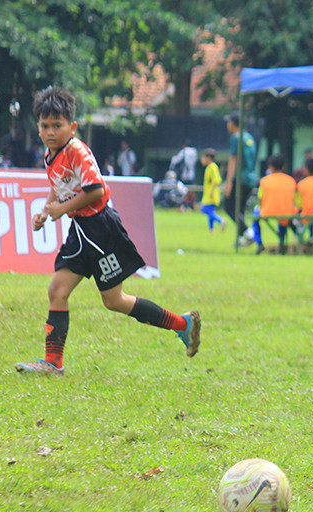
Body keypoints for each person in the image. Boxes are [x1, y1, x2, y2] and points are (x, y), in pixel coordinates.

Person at [15, 86, 200, 377]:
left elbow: (95, 190)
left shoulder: (76, 150)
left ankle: (182, 324)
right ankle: (53, 364)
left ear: (72, 126)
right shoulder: (51, 155)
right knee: (57, 290)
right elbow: (58, 185)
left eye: (57, 126)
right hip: (81, 231)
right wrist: (45, 210)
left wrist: (62, 209)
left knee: (114, 301)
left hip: (101, 229)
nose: (50, 132)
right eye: (44, 126)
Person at [223, 112, 258, 244]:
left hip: (240, 178)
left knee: (229, 206)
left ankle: (249, 233)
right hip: (250, 178)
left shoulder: (236, 137)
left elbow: (233, 160)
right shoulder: (249, 138)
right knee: (240, 209)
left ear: (232, 123)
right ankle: (240, 239)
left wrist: (229, 182)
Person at [256, 154, 297, 254]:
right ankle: (281, 242)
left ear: (270, 167)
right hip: (286, 212)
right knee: (283, 219)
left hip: (267, 212)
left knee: (255, 218)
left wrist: (262, 208)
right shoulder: (291, 181)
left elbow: (260, 199)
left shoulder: (264, 181)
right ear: (283, 167)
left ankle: (259, 243)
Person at [169, 140, 199, 209]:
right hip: (192, 174)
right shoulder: (194, 152)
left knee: (183, 190)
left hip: (184, 175)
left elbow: (176, 160)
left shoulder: (184, 151)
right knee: (191, 190)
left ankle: (183, 204)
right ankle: (193, 205)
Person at [199, 148, 224, 232]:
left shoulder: (213, 167)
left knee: (205, 209)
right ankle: (211, 229)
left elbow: (217, 180)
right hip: (208, 193)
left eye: (203, 157)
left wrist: (212, 192)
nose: (201, 160)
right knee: (210, 211)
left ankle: (221, 221)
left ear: (208, 158)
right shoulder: (209, 167)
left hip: (211, 194)